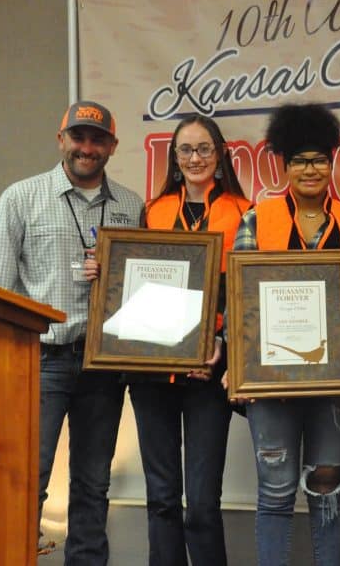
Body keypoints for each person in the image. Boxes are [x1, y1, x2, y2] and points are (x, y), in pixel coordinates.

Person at [0, 101, 143, 565]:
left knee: (93, 484)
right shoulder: (21, 198)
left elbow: (147, 286)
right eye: (79, 137)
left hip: (103, 366)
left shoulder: (131, 205)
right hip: (40, 360)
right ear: (61, 139)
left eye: (97, 139)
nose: (87, 148)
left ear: (111, 145)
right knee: (26, 479)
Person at [231, 103, 340, 566]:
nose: (310, 169)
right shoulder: (256, 219)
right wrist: (238, 365)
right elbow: (240, 301)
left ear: (332, 162)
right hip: (271, 383)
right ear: (284, 164)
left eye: (320, 159)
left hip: (336, 382)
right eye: (300, 160)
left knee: (327, 489)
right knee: (275, 491)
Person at [125, 114, 251, 565]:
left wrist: (218, 342)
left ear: (219, 156)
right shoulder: (152, 211)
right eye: (186, 150)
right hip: (152, 373)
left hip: (208, 373)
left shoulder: (244, 211)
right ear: (174, 159)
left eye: (204, 149)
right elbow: (133, 281)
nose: (195, 158)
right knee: (161, 498)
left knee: (201, 503)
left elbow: (246, 291)